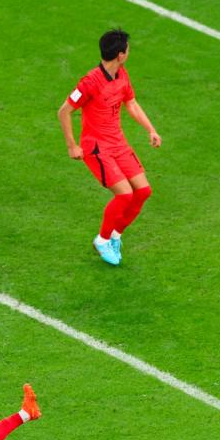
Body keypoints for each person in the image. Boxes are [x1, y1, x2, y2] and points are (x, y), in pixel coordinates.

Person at [57, 28, 162, 266]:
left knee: (143, 191)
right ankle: (102, 239)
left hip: (118, 143)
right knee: (124, 194)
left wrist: (151, 129)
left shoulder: (122, 74)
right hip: (96, 148)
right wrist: (72, 145)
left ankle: (115, 235)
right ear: (121, 55)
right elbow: (64, 111)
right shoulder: (89, 82)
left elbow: (131, 103)